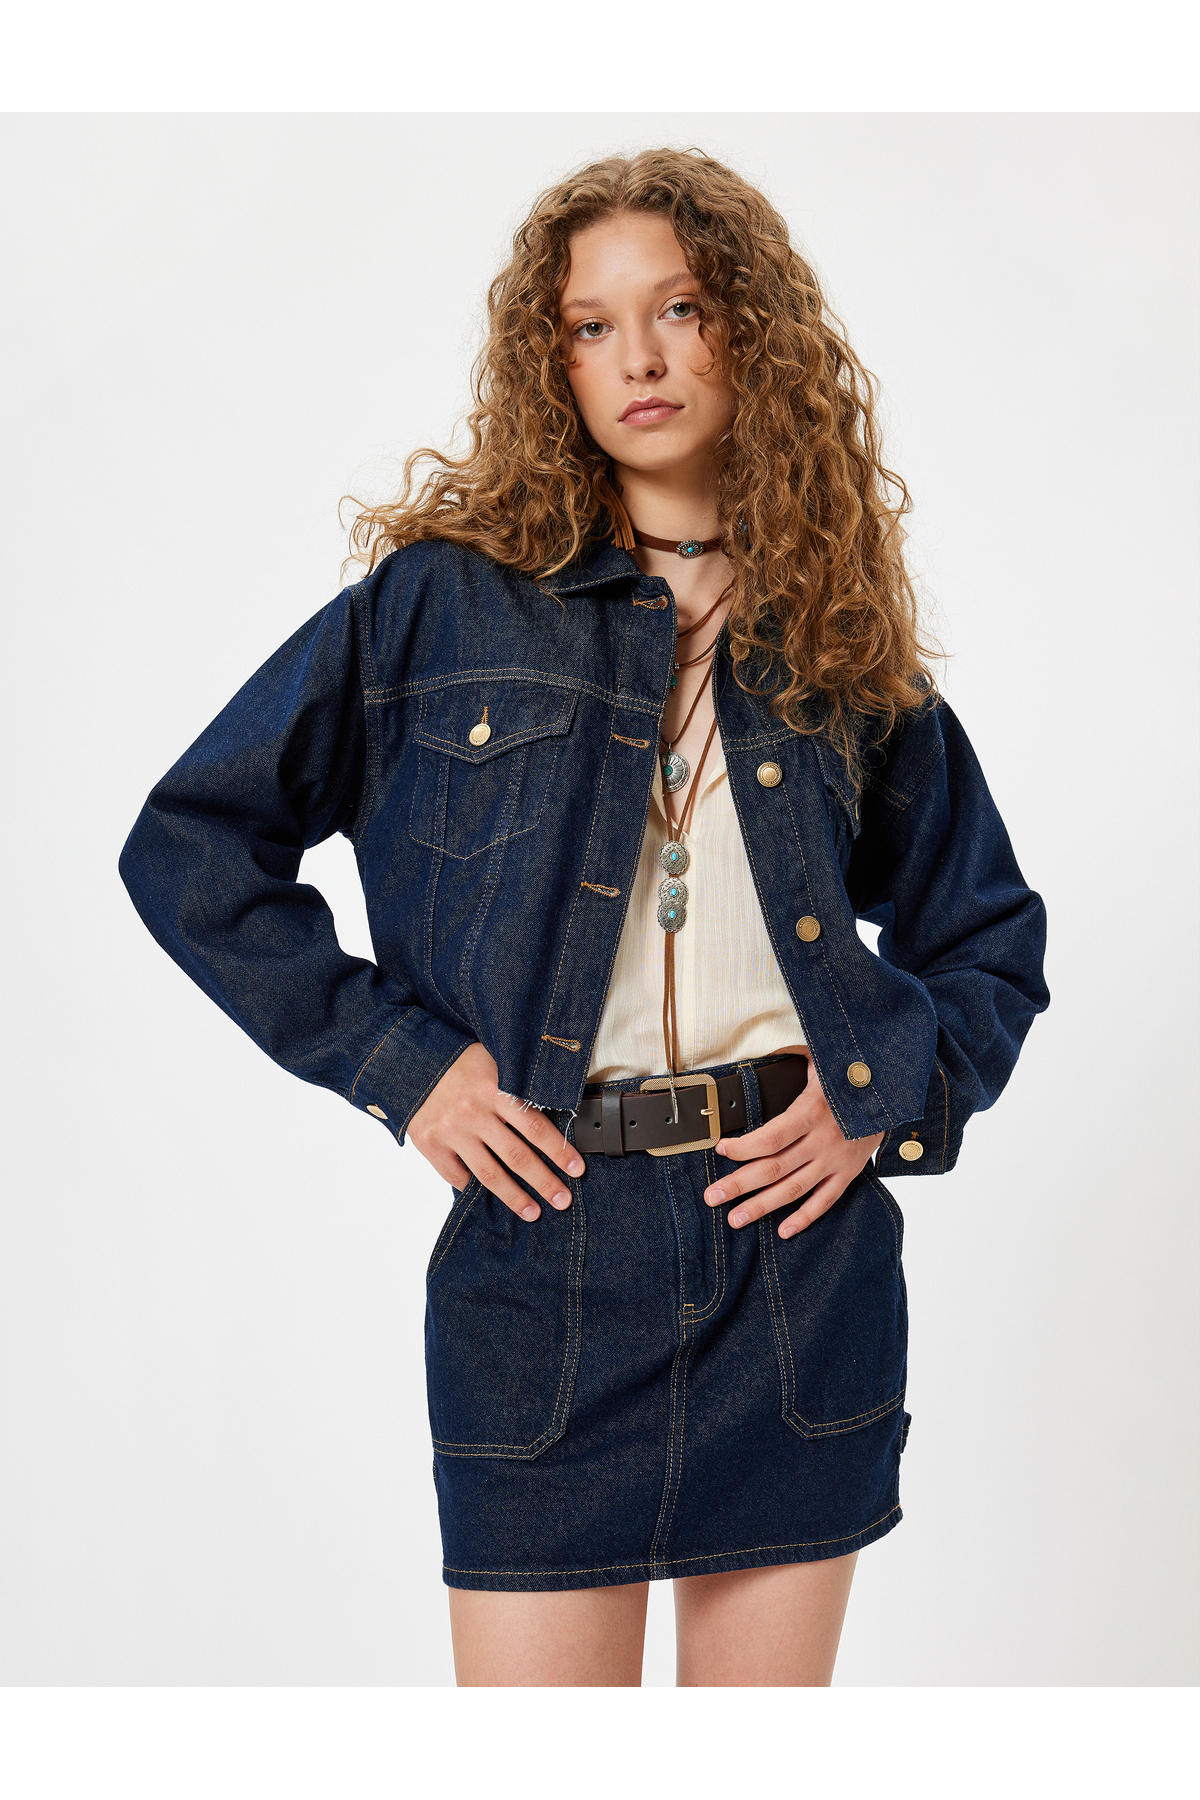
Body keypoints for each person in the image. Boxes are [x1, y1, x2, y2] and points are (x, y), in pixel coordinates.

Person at [119, 148, 1049, 1687]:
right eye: (591, 326)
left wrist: (877, 1099)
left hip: (791, 1260)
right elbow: (193, 841)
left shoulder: (835, 630)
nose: (640, 358)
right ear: (552, 363)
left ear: (749, 329)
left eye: (680, 308)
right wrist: (406, 1068)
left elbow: (988, 935)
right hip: (541, 1251)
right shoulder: (442, 607)